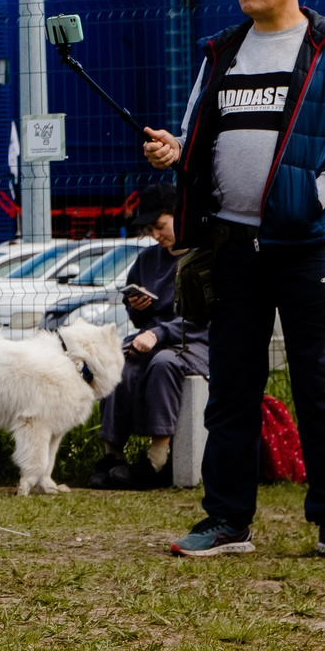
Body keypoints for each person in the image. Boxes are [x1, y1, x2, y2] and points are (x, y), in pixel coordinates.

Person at [140, 0, 325, 560]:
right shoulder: (221, 52)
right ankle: (226, 522)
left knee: (321, 384)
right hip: (233, 247)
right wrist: (175, 151)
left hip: (307, 245)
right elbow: (197, 136)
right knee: (232, 389)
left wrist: (317, 195)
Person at [86, 194, 208, 490]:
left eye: (160, 226)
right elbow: (140, 320)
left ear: (180, 216)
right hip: (152, 339)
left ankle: (156, 461)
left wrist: (157, 333)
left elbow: (202, 316)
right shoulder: (147, 260)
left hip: (195, 342)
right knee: (118, 362)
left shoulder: (204, 257)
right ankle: (112, 457)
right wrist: (136, 307)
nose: (155, 235)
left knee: (163, 363)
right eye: (150, 229)